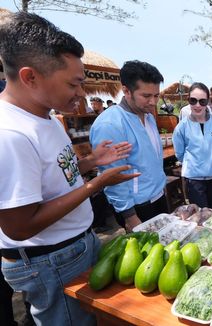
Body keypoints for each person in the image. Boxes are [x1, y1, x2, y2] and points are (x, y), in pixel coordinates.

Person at [0, 12, 137, 325]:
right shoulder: (10, 133)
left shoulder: (45, 116)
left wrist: (88, 163)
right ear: (30, 77)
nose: (81, 93)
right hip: (49, 260)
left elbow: (50, 176)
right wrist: (96, 184)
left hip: (73, 246)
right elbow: (19, 226)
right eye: (74, 83)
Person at [90, 60, 168, 232]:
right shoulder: (110, 124)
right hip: (137, 206)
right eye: (146, 96)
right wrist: (129, 215)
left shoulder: (148, 116)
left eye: (156, 95)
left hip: (158, 196)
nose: (153, 102)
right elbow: (112, 176)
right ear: (126, 91)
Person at [173, 83, 212, 209]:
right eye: (193, 101)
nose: (197, 105)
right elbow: (180, 154)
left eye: (202, 101)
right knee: (198, 217)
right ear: (188, 101)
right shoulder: (182, 127)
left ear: (207, 101)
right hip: (194, 180)